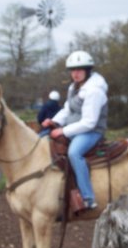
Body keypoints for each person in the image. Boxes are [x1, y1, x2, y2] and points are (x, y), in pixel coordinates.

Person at [41, 50, 108, 210]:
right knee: (41, 139)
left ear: (87, 70)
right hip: (75, 129)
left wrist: (63, 131)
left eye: (79, 70)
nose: (76, 73)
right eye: (73, 70)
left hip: (92, 132)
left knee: (74, 153)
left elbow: (89, 123)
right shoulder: (74, 87)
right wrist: (54, 121)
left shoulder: (94, 90)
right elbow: (67, 109)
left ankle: (88, 197)